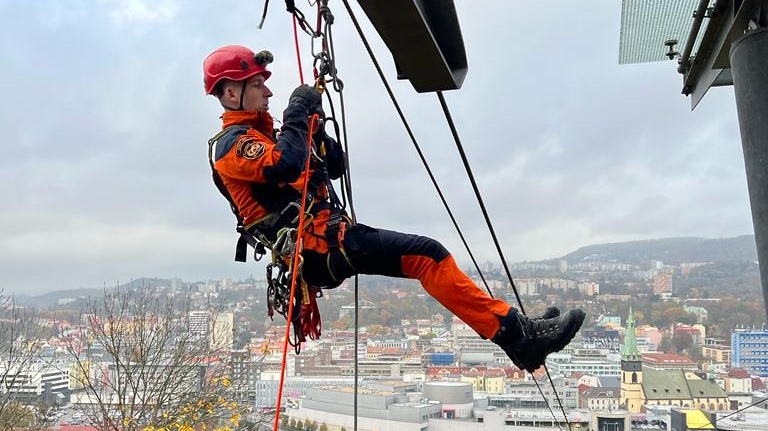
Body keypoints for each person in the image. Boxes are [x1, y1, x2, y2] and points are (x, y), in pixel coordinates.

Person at [203, 45, 585, 372]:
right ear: (230, 93)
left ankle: (519, 335)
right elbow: (285, 165)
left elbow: (333, 166)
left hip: (325, 239)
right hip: (316, 248)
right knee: (427, 256)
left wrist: (315, 132)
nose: (267, 91)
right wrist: (297, 113)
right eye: (257, 84)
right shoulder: (233, 146)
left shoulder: (270, 135)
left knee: (427, 256)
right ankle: (520, 338)